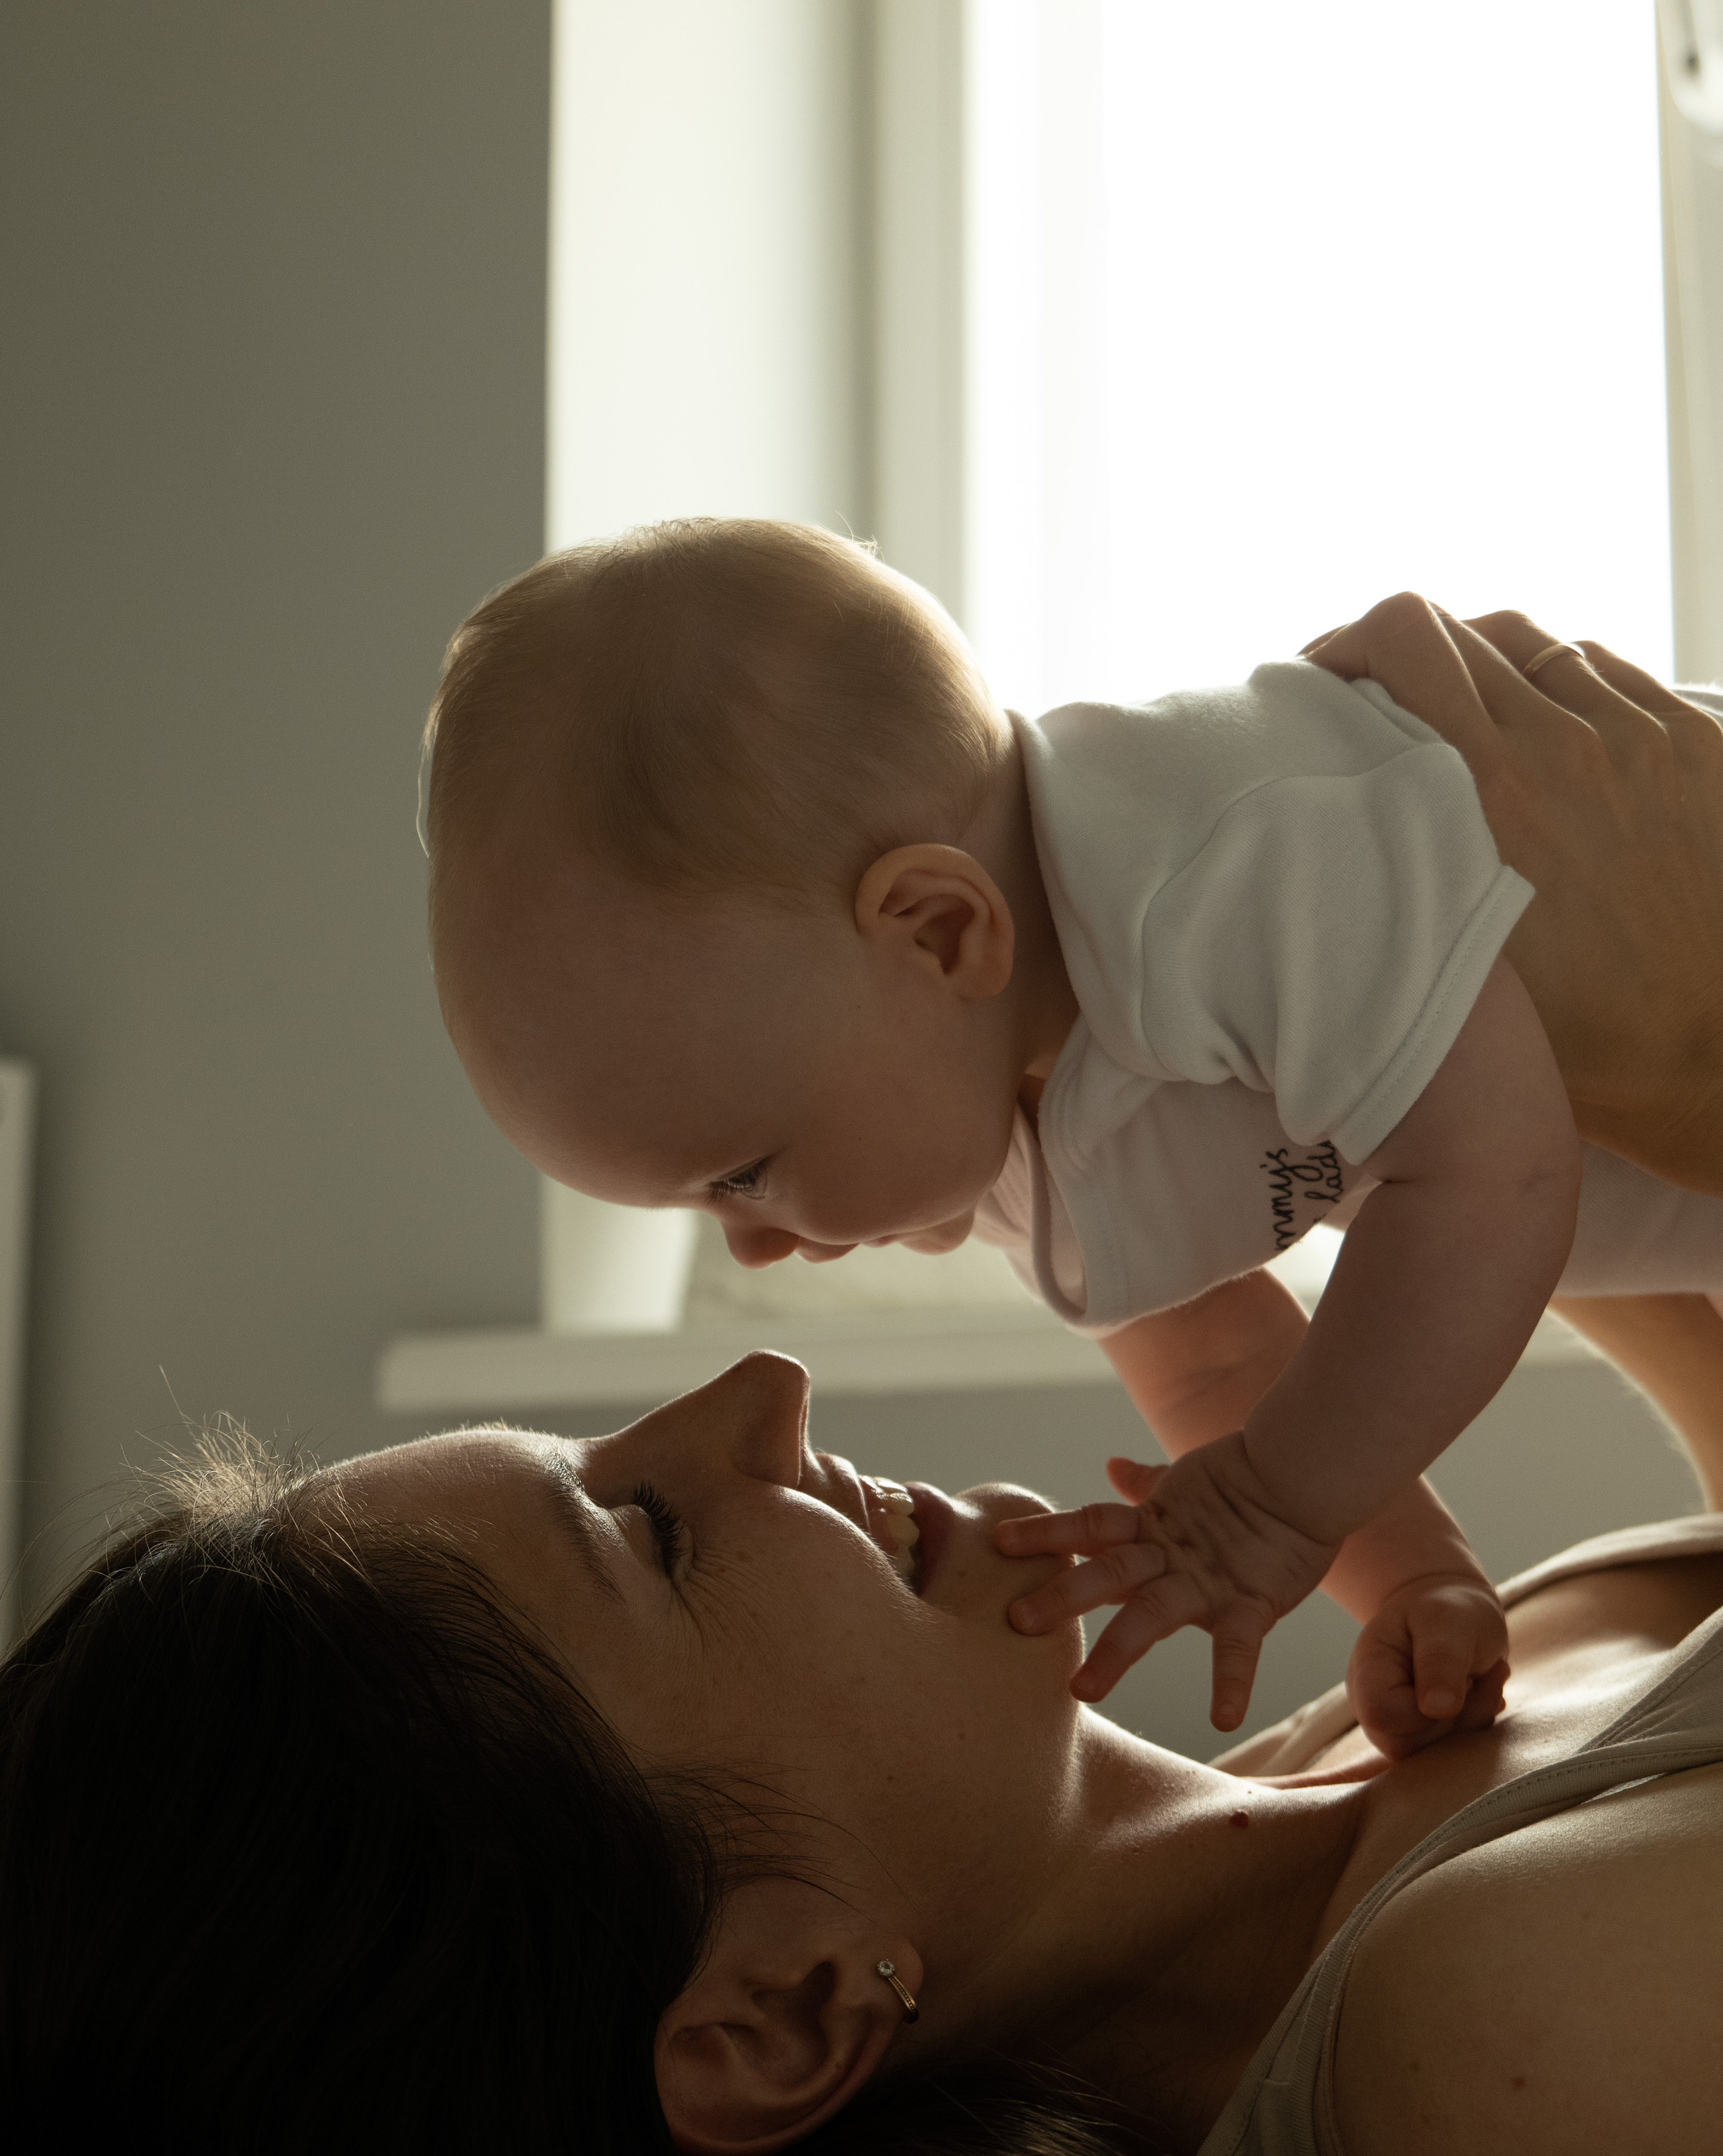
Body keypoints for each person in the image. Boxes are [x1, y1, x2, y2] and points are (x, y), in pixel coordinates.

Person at [0, 1345, 1723, 2156]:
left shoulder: (1358, 1733)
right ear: (781, 2015)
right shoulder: (1487, 2056)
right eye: (655, 1535)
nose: (760, 1389)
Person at [422, 520, 1723, 1758]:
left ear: (938, 930)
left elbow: (1492, 1180)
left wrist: (1278, 1507)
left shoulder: (1225, 858)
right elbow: (1217, 1361)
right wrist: (1416, 1576)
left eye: (742, 1174)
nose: (757, 1248)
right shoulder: (988, 1102)